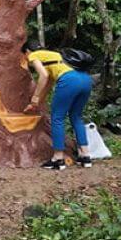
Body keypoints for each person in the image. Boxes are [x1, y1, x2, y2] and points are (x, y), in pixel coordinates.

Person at [22, 41, 94, 170]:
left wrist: (34, 98)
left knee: (57, 118)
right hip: (86, 80)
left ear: (27, 51)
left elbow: (43, 76)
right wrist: (36, 104)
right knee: (76, 117)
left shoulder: (34, 56)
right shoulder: (54, 56)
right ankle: (85, 155)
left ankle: (58, 158)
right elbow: (48, 84)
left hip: (69, 80)